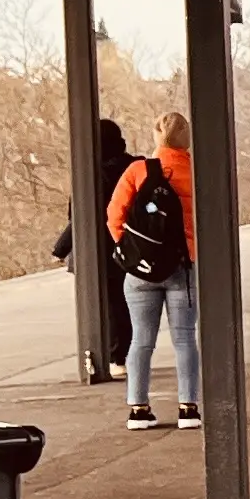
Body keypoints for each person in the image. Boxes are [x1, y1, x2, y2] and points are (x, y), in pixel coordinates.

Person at [108, 109, 200, 431]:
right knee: (185, 339)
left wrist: (134, 253)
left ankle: (138, 409)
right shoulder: (196, 171)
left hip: (140, 272)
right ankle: (188, 408)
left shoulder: (137, 170)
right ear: (186, 136)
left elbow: (114, 215)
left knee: (141, 341)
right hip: (182, 267)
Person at [51, 116, 133, 377]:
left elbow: (81, 217)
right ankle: (122, 355)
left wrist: (60, 248)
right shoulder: (132, 167)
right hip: (129, 247)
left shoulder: (93, 174)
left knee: (106, 305)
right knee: (123, 303)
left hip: (97, 251)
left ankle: (113, 356)